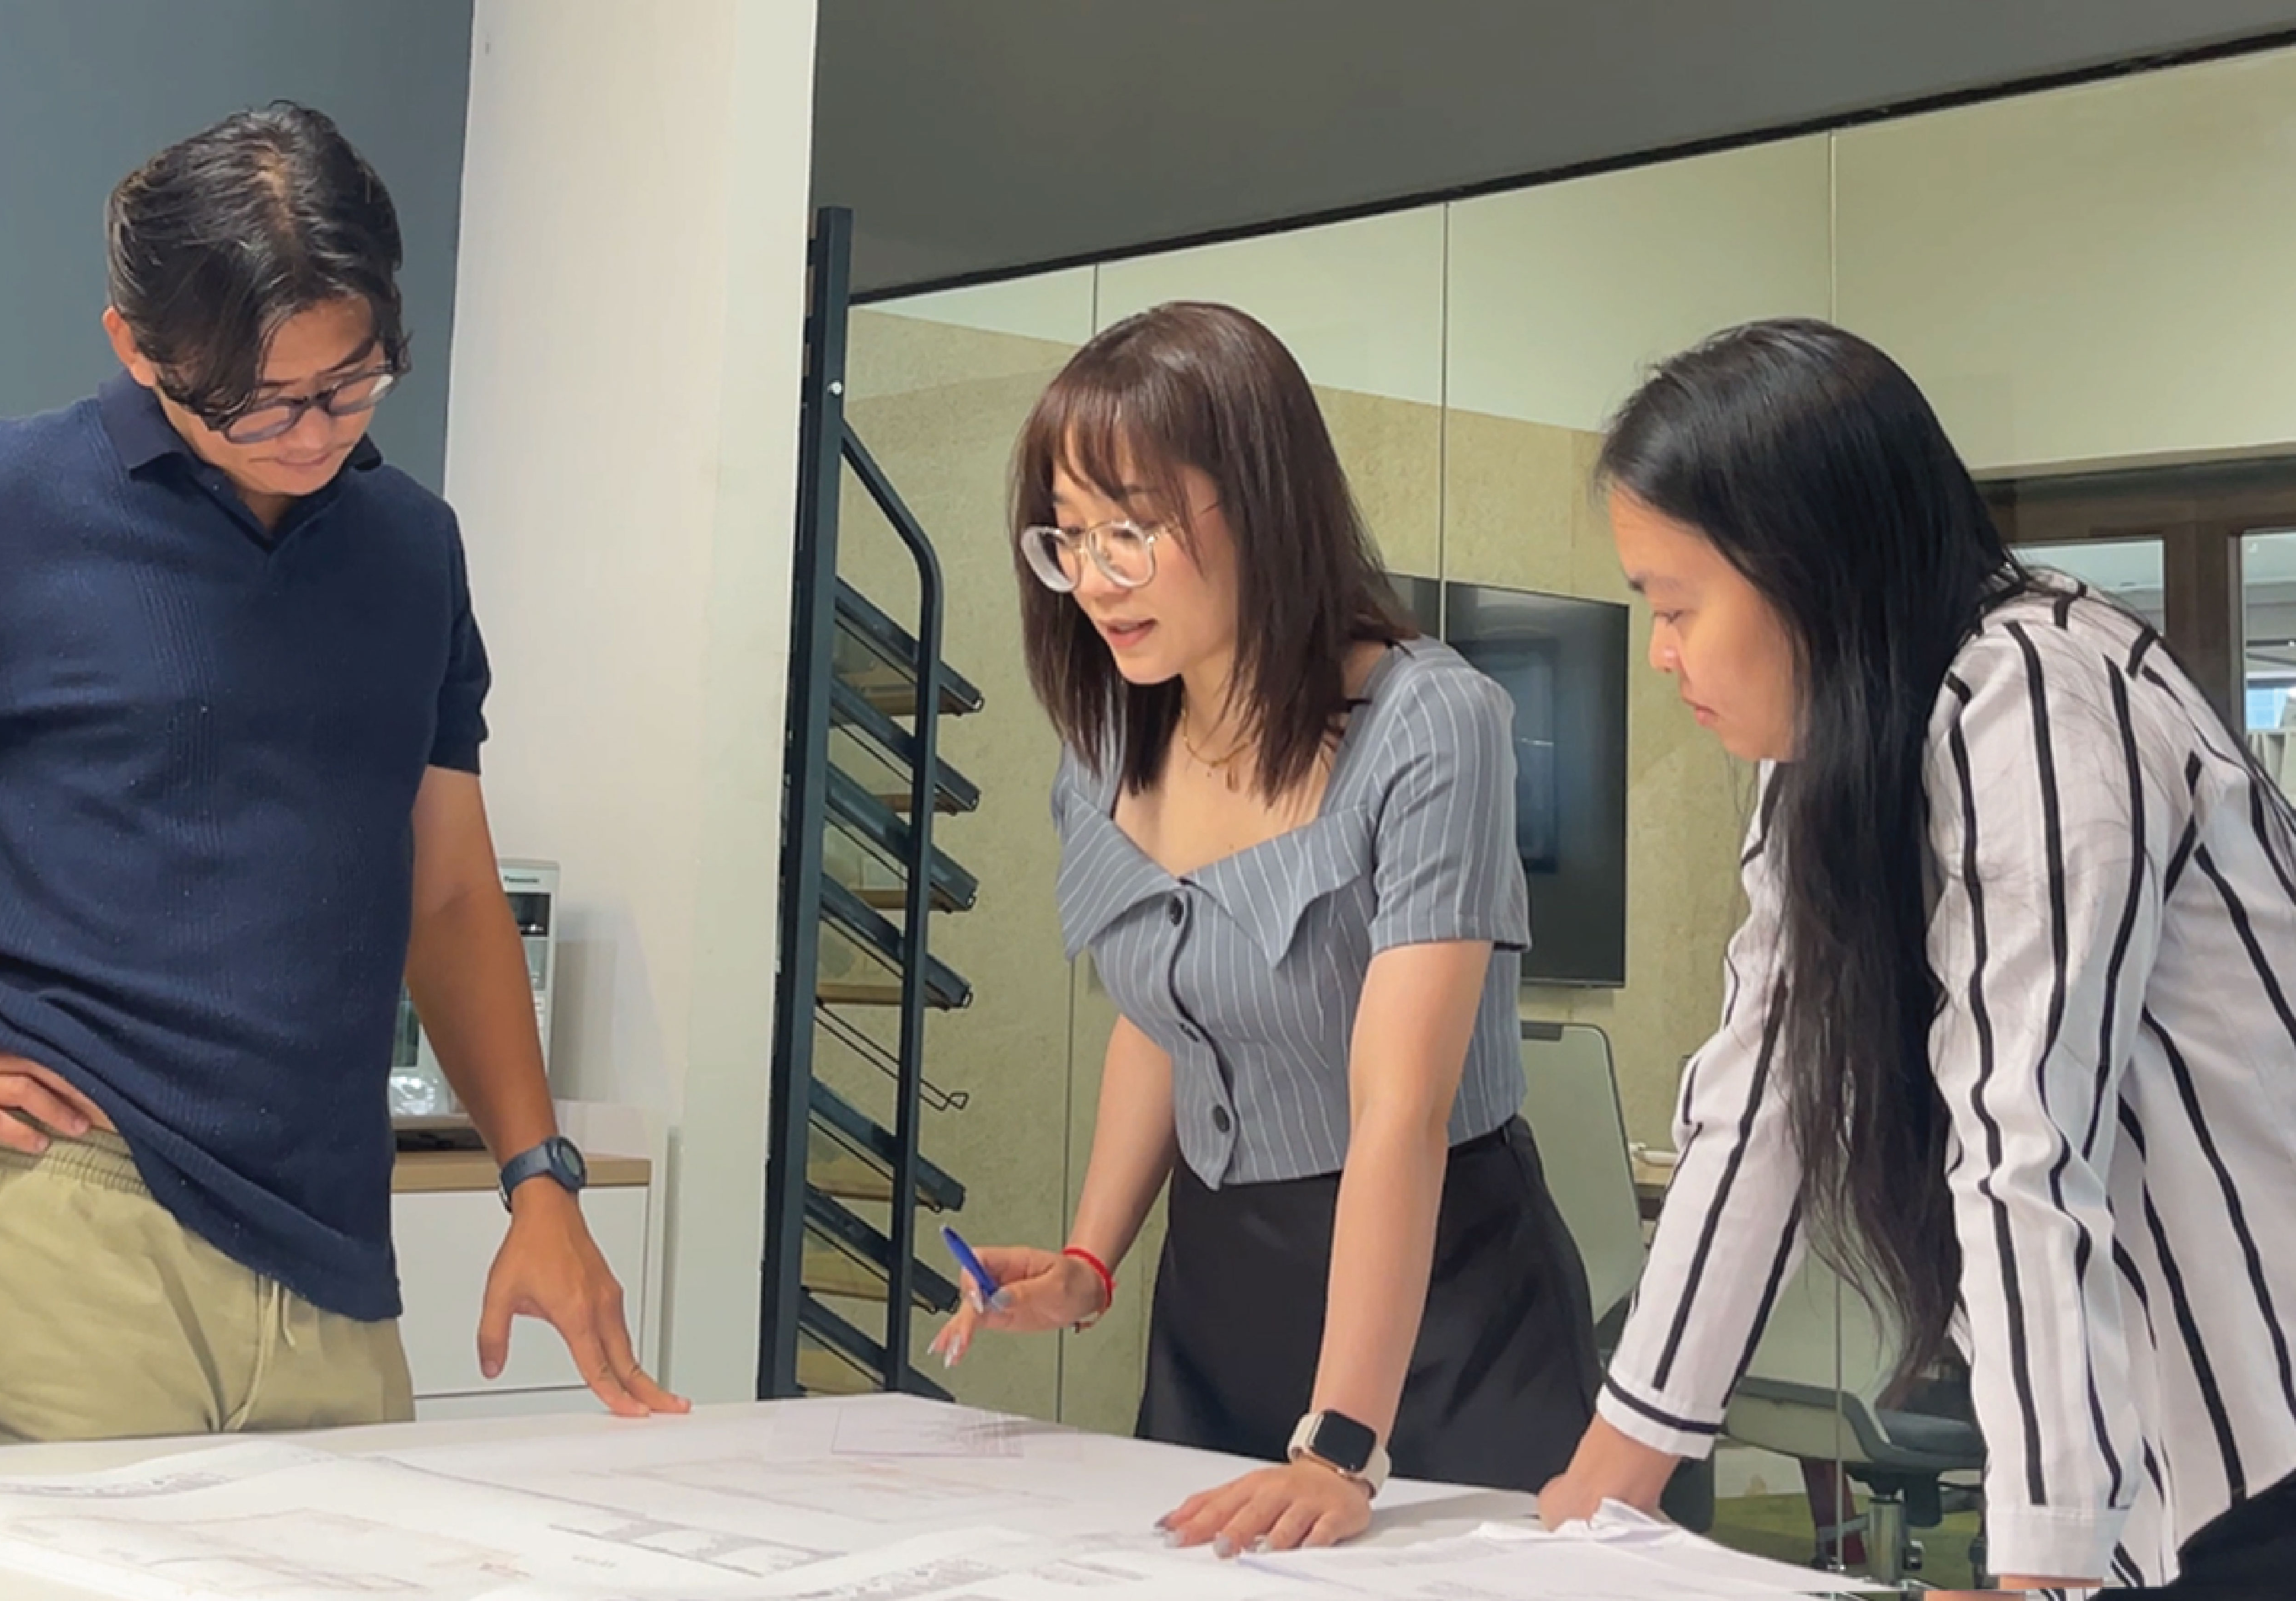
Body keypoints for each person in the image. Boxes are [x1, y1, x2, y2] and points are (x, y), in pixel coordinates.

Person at [0, 103, 683, 1444]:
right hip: (65, 1226)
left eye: (350, 384)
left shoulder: (414, 550)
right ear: (136, 347)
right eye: (257, 401)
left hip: (336, 1260)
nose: (311, 434)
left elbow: (452, 892)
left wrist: (539, 1177)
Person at [1539, 319, 2296, 1596]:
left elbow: (2026, 1134)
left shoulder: (2041, 698)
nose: (1663, 653)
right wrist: (1610, 1473)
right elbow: (1758, 1103)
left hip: (2261, 1406)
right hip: (2165, 1426)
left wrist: (2042, 1567)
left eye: (1678, 606)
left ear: (1812, 571)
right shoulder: (1827, 760)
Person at [935, 301, 1599, 1553]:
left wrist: (1344, 1437)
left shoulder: (1428, 723)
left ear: (1260, 501)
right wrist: (1090, 1258)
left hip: (1445, 1312)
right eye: (1067, 539)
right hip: (1219, 1300)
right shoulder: (1106, 744)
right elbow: (1166, 1015)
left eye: (1128, 531)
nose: (1093, 580)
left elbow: (1398, 1109)